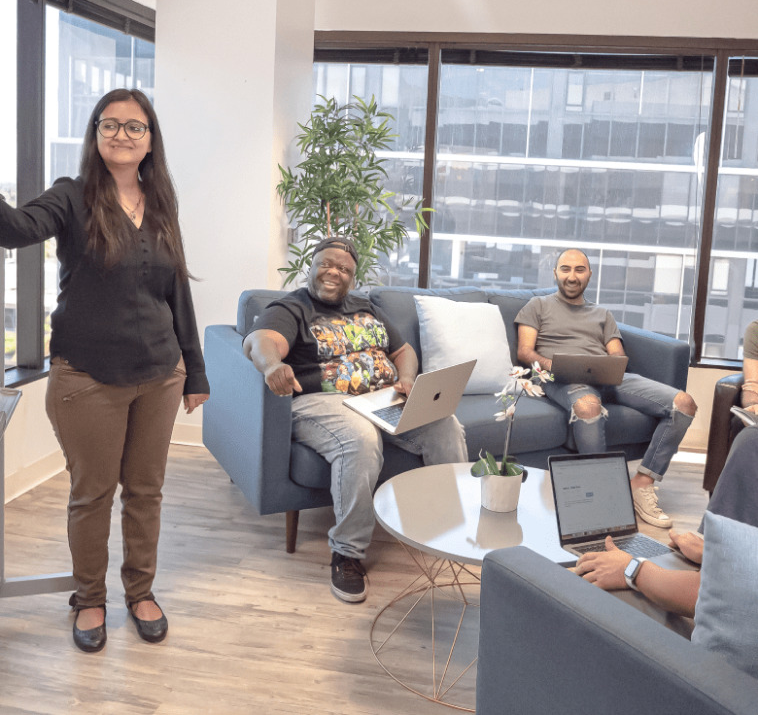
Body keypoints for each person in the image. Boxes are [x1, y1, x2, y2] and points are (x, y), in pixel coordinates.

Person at [0, 89, 210, 653]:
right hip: (87, 377)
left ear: (150, 140)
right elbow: (15, 230)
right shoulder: (71, 197)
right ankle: (89, 598)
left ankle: (140, 590)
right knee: (92, 494)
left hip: (160, 375)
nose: (122, 134)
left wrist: (196, 373)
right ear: (95, 134)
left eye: (134, 126)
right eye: (109, 124)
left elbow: (176, 293)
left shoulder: (160, 201)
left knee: (146, 491)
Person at [243, 236, 468, 603]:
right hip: (322, 403)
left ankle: (451, 525)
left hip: (382, 398)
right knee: (360, 439)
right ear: (311, 267)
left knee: (445, 424)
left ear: (353, 275)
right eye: (326, 264)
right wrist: (272, 365)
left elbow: (404, 350)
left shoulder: (366, 307)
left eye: (343, 268)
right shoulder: (291, 308)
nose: (334, 271)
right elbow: (260, 342)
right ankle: (347, 552)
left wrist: (407, 378)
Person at [516, 248, 697, 529]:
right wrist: (552, 364)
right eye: (566, 269)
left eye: (579, 270)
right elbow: (525, 352)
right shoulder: (537, 306)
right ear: (555, 273)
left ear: (589, 275)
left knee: (683, 404)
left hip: (609, 377)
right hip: (562, 377)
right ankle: (599, 495)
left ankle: (642, 482)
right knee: (588, 406)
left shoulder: (602, 314)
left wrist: (609, 366)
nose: (572, 276)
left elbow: (617, 356)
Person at [572, 424, 758, 617]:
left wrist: (632, 569)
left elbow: (716, 599)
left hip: (714, 638)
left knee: (596, 601)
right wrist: (714, 554)